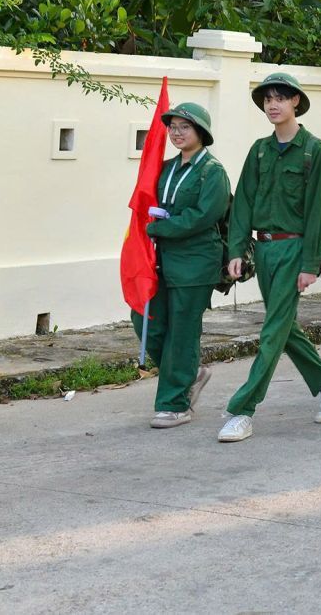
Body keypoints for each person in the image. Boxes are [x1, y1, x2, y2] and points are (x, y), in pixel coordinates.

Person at [218, 73, 321, 442]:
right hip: (264, 249)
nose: (272, 105)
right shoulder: (259, 150)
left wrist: (310, 264)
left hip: (294, 249)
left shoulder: (314, 150)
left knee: (273, 330)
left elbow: (316, 210)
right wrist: (237, 249)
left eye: (280, 98)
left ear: (295, 102)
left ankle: (243, 409)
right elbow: (243, 202)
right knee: (284, 326)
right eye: (267, 99)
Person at [138, 102, 230, 429]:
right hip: (160, 261)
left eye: (184, 127)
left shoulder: (212, 172)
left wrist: (159, 228)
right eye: (172, 127)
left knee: (182, 332)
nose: (176, 133)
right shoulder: (166, 168)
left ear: (200, 131)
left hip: (195, 263)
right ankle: (189, 373)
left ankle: (175, 405)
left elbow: (203, 216)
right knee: (145, 320)